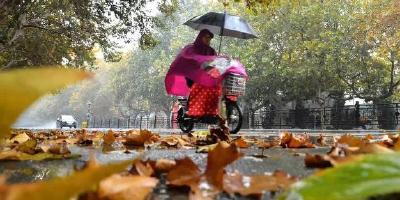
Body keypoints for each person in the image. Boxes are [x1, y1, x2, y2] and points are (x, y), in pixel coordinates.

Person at [165, 29, 221, 117]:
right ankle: (190, 109)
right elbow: (188, 58)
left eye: (210, 38)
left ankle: (208, 111)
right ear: (200, 37)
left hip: (206, 75)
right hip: (191, 75)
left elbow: (214, 61)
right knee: (196, 87)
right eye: (206, 37)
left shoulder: (211, 51)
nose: (208, 40)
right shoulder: (191, 48)